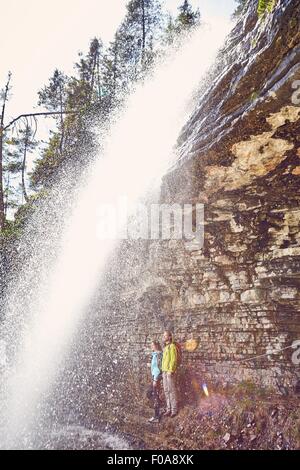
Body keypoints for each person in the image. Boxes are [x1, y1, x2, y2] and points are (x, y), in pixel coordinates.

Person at [162, 330, 178, 417]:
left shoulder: (172, 347)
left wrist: (170, 370)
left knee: (171, 391)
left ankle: (174, 410)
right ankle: (168, 409)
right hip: (164, 371)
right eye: (163, 336)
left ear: (169, 337)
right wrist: (163, 370)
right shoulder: (165, 347)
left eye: (165, 336)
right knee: (166, 390)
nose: (163, 337)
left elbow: (173, 360)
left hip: (169, 372)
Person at [148, 341, 163, 423]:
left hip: (156, 377)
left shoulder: (158, 355)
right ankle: (160, 407)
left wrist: (155, 379)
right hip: (155, 376)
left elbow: (158, 368)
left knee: (154, 395)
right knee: (151, 394)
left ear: (156, 346)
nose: (151, 346)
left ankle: (156, 416)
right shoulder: (155, 354)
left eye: (152, 345)